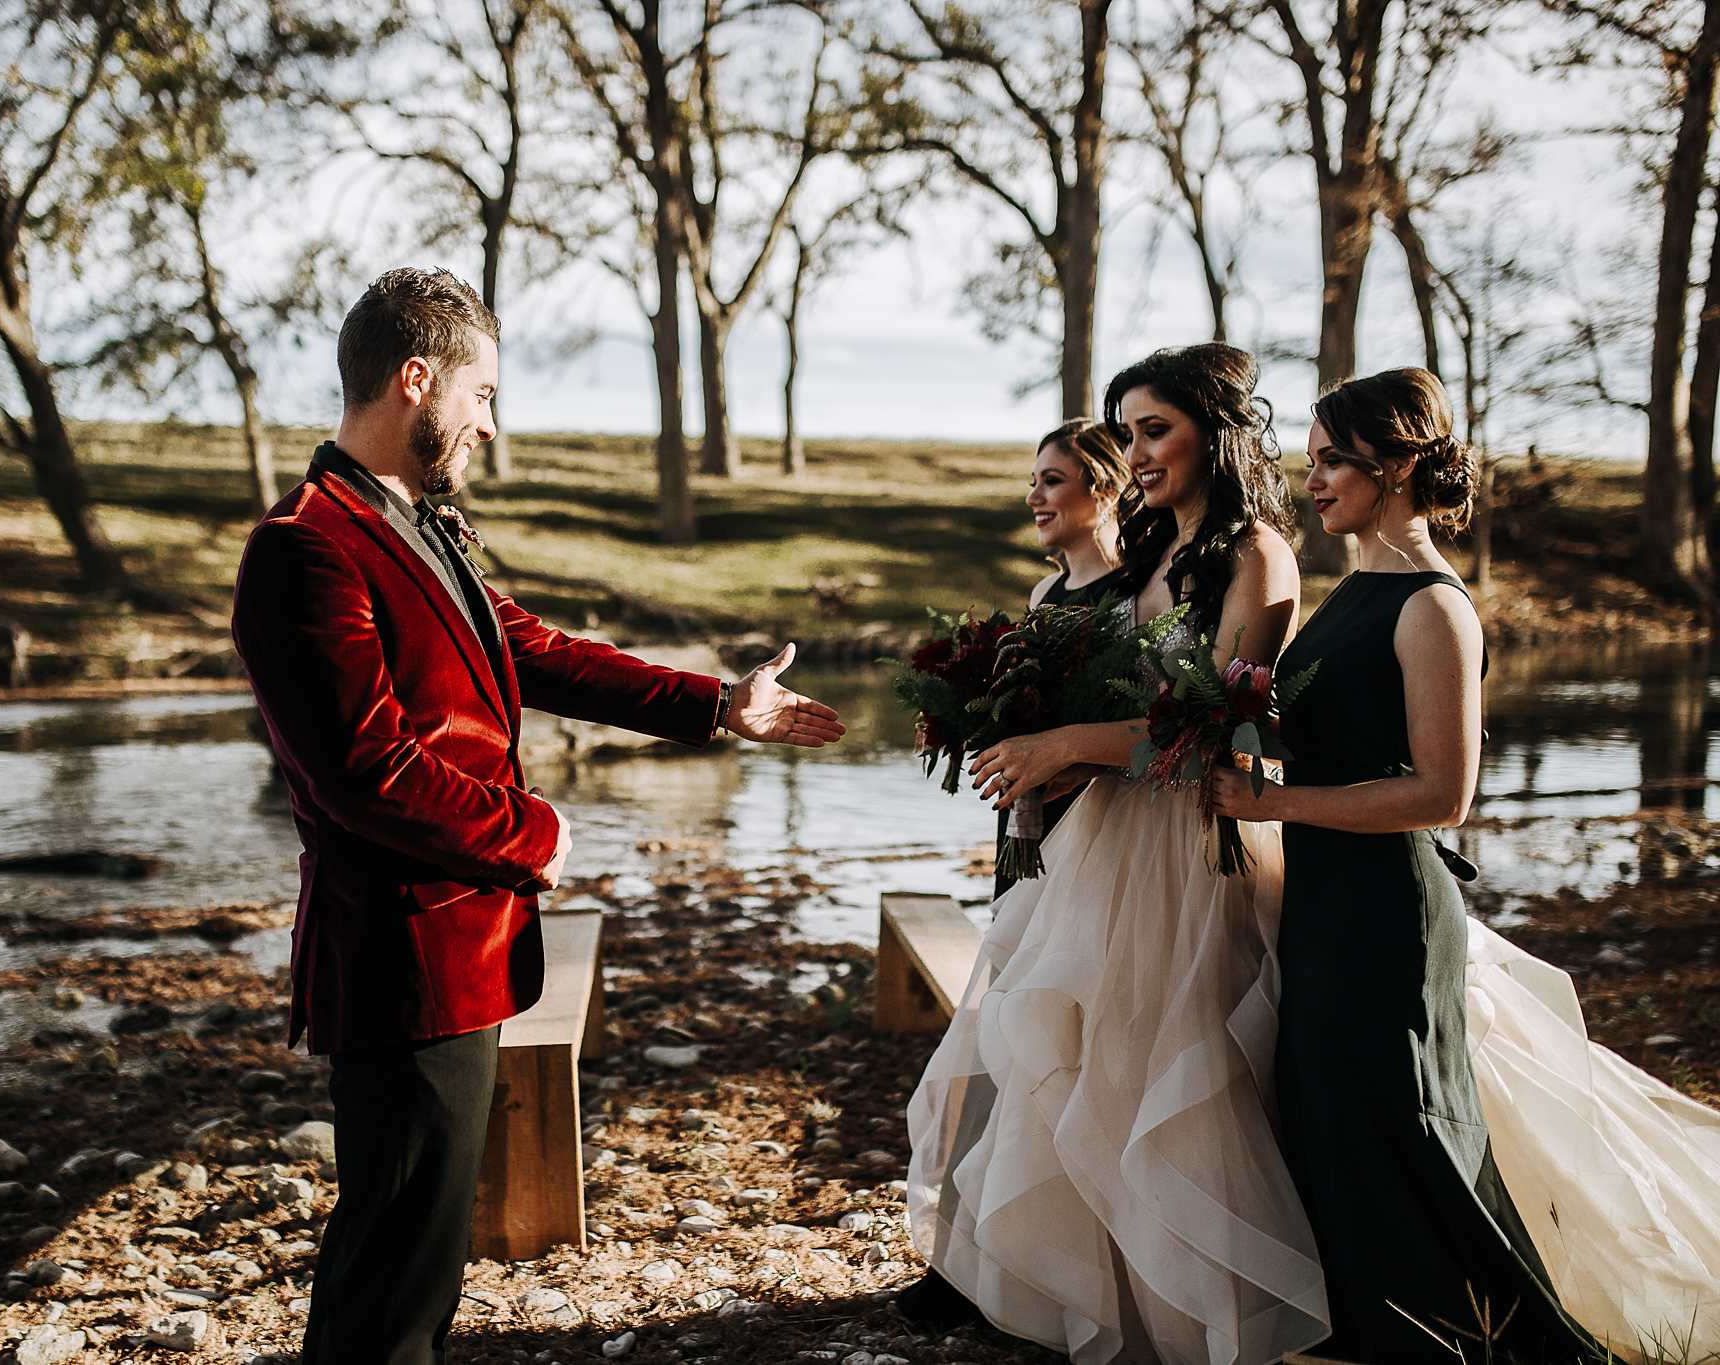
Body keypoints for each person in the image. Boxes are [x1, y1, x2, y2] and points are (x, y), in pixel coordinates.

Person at [229, 267, 846, 1365]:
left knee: (413, 1253)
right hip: (401, 949)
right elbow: (363, 771)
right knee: (391, 1268)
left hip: (459, 944)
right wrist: (533, 835)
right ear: (416, 380)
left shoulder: (414, 521)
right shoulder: (307, 545)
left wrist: (715, 704)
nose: (488, 423)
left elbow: (534, 650)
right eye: (481, 395)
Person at [1211, 369, 1720, 1362]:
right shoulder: (1357, 587)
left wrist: (1274, 803)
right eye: (1307, 460)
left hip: (1385, 911)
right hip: (1320, 895)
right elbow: (1342, 739)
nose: (1308, 480)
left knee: (1396, 1120)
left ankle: (1470, 1333)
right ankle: (1373, 1325)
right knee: (1327, 1111)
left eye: (1329, 461)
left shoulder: (1434, 610)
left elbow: (1440, 795)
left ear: (1394, 468)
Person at [903, 344, 1328, 1364]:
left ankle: (1197, 1305)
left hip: (1192, 849)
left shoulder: (1254, 556)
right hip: (1107, 837)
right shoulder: (1149, 555)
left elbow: (1229, 735)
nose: (1135, 452)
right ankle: (1095, 1283)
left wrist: (1068, 745)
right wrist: (1030, 740)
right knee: (1089, 1055)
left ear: (1209, 434)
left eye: (1153, 430)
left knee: (1179, 1060)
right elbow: (1118, 706)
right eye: (1126, 431)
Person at [993, 418, 1138, 899]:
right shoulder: (1045, 592)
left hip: (1097, 811)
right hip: (1031, 803)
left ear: (1107, 488)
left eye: (1052, 482)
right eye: (1033, 483)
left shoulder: (1135, 595)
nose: (1033, 498)